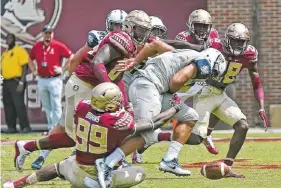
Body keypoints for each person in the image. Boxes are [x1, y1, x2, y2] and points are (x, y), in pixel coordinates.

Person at [13, 10, 153, 172]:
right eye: (140, 29)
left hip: (95, 88)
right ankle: (26, 146)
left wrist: (125, 101)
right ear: (129, 27)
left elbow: (118, 76)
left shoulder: (131, 44)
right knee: (73, 137)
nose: (143, 34)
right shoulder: (121, 38)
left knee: (114, 125)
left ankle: (113, 162)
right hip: (83, 85)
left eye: (145, 30)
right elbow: (97, 63)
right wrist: (110, 89)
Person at [95, 46, 227, 188]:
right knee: (148, 134)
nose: (210, 74)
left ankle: (170, 159)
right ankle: (107, 162)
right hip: (148, 86)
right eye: (213, 71)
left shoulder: (188, 53)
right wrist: (174, 94)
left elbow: (154, 45)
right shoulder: (203, 62)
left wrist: (136, 61)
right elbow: (177, 80)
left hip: (157, 88)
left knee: (190, 116)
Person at [4, 82, 180, 188]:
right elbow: (152, 124)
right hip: (94, 173)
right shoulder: (115, 120)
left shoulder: (82, 107)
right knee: (141, 172)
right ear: (109, 105)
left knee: (58, 167)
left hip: (77, 163)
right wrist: (175, 108)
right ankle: (98, 183)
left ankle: (15, 185)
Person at [30, 9, 128, 171]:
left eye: (120, 26)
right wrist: (71, 79)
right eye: (115, 25)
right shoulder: (98, 37)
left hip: (99, 88)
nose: (117, 29)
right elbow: (76, 58)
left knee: (80, 124)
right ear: (108, 25)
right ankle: (45, 155)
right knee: (72, 125)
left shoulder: (125, 43)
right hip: (84, 85)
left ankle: (57, 156)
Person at [27, 25, 74, 169]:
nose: (48, 35)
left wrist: (63, 69)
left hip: (55, 79)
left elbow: (71, 56)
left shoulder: (57, 45)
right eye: (46, 33)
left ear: (52, 34)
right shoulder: (37, 46)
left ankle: (56, 129)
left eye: (50, 33)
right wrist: (34, 70)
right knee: (47, 107)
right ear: (42, 34)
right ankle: (51, 127)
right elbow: (30, 58)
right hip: (42, 78)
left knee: (56, 105)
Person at [175, 9, 220, 154]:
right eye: (198, 25)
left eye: (204, 26)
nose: (201, 29)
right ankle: (144, 141)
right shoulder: (182, 37)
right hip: (185, 79)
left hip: (204, 78)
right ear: (190, 25)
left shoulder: (213, 35)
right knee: (169, 110)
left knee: (216, 100)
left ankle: (207, 134)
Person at [0, 33, 31, 133]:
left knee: (19, 105)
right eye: (7, 38)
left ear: (14, 40)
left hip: (16, 81)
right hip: (6, 82)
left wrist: (22, 82)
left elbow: (25, 66)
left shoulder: (19, 51)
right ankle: (11, 127)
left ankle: (25, 127)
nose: (9, 40)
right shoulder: (4, 53)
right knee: (8, 105)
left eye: (11, 38)